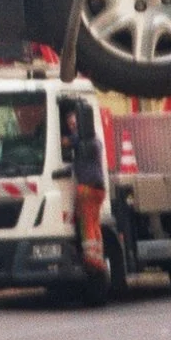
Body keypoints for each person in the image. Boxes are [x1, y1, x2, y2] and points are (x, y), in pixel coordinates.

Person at [61, 99, 108, 277]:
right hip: (98, 188)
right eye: (69, 123)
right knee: (95, 223)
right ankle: (98, 256)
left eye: (74, 122)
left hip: (87, 188)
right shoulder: (95, 140)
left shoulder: (81, 140)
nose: (72, 125)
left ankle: (91, 259)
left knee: (86, 223)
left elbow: (64, 143)